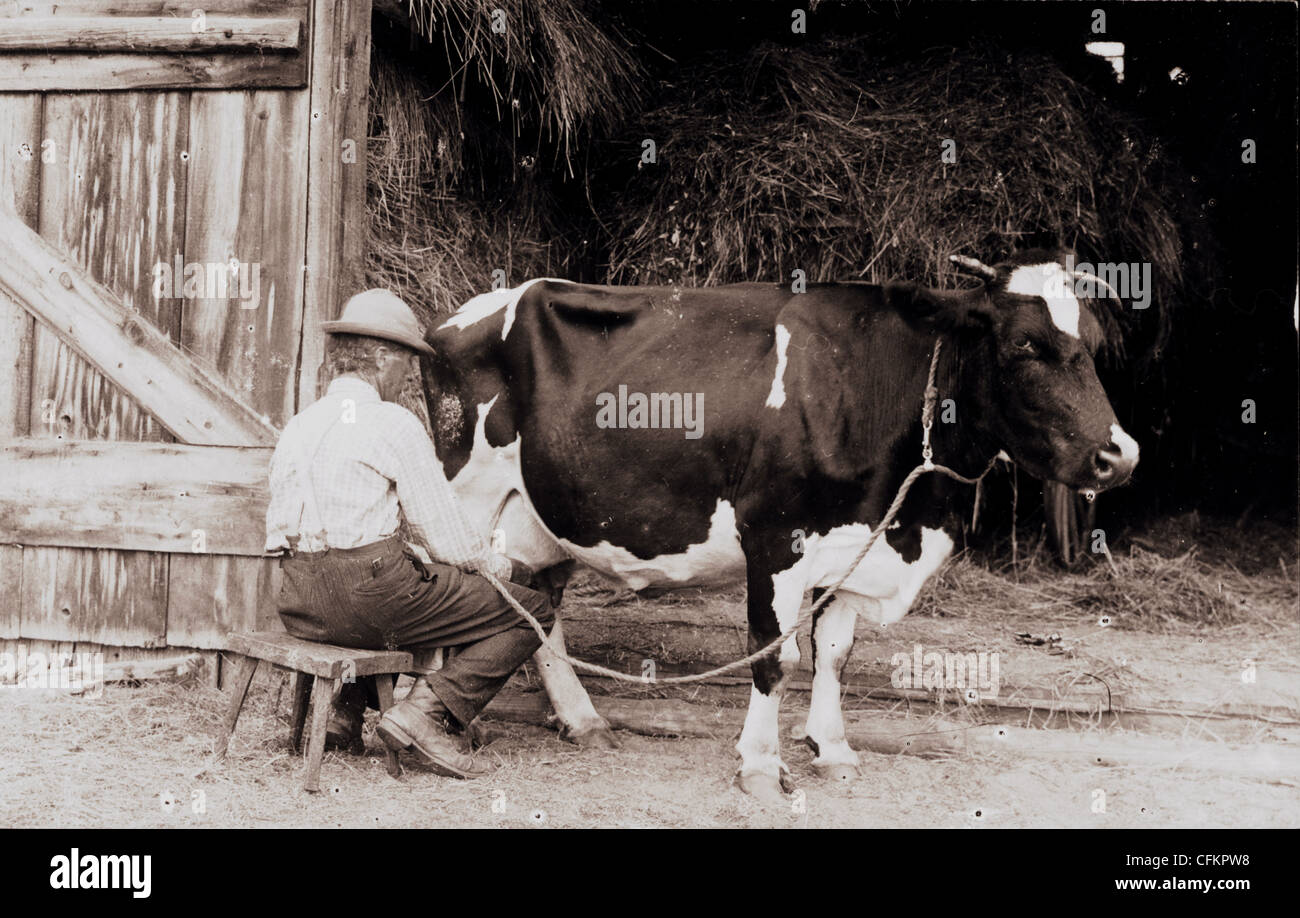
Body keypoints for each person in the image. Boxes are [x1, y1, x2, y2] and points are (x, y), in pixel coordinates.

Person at [263, 288, 553, 778]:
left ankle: (344, 712)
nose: (409, 379)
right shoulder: (392, 423)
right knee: (529, 612)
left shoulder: (298, 424)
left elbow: (284, 529)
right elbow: (448, 540)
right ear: (380, 359)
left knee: (409, 589)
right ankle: (425, 712)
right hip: (368, 597)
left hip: (298, 602)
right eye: (405, 365)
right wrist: (494, 564)